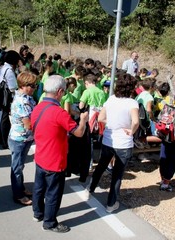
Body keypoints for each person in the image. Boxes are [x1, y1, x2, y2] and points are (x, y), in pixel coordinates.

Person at [31, 75, 88, 233]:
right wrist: (83, 120)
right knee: (53, 193)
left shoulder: (37, 107)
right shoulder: (59, 113)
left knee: (39, 187)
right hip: (55, 159)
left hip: (41, 155)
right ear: (60, 91)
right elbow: (78, 133)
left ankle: (38, 212)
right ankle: (49, 222)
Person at [88, 73, 139, 213]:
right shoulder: (132, 103)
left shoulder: (111, 99)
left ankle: (90, 188)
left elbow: (101, 118)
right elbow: (135, 121)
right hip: (123, 142)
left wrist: (112, 124)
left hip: (109, 139)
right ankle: (111, 204)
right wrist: (131, 131)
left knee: (101, 166)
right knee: (117, 174)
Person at [8, 71, 37, 205]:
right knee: (17, 168)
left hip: (25, 138)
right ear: (23, 85)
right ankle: (18, 194)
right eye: (32, 85)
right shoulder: (21, 101)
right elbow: (28, 124)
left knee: (20, 166)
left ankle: (21, 188)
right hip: (19, 139)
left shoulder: (27, 97)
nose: (34, 88)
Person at [0, 50, 22, 149]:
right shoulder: (9, 71)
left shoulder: (2, 67)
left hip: (2, 96)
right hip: (7, 98)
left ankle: (1, 139)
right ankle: (5, 141)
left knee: (3, 117)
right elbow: (13, 87)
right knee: (6, 120)